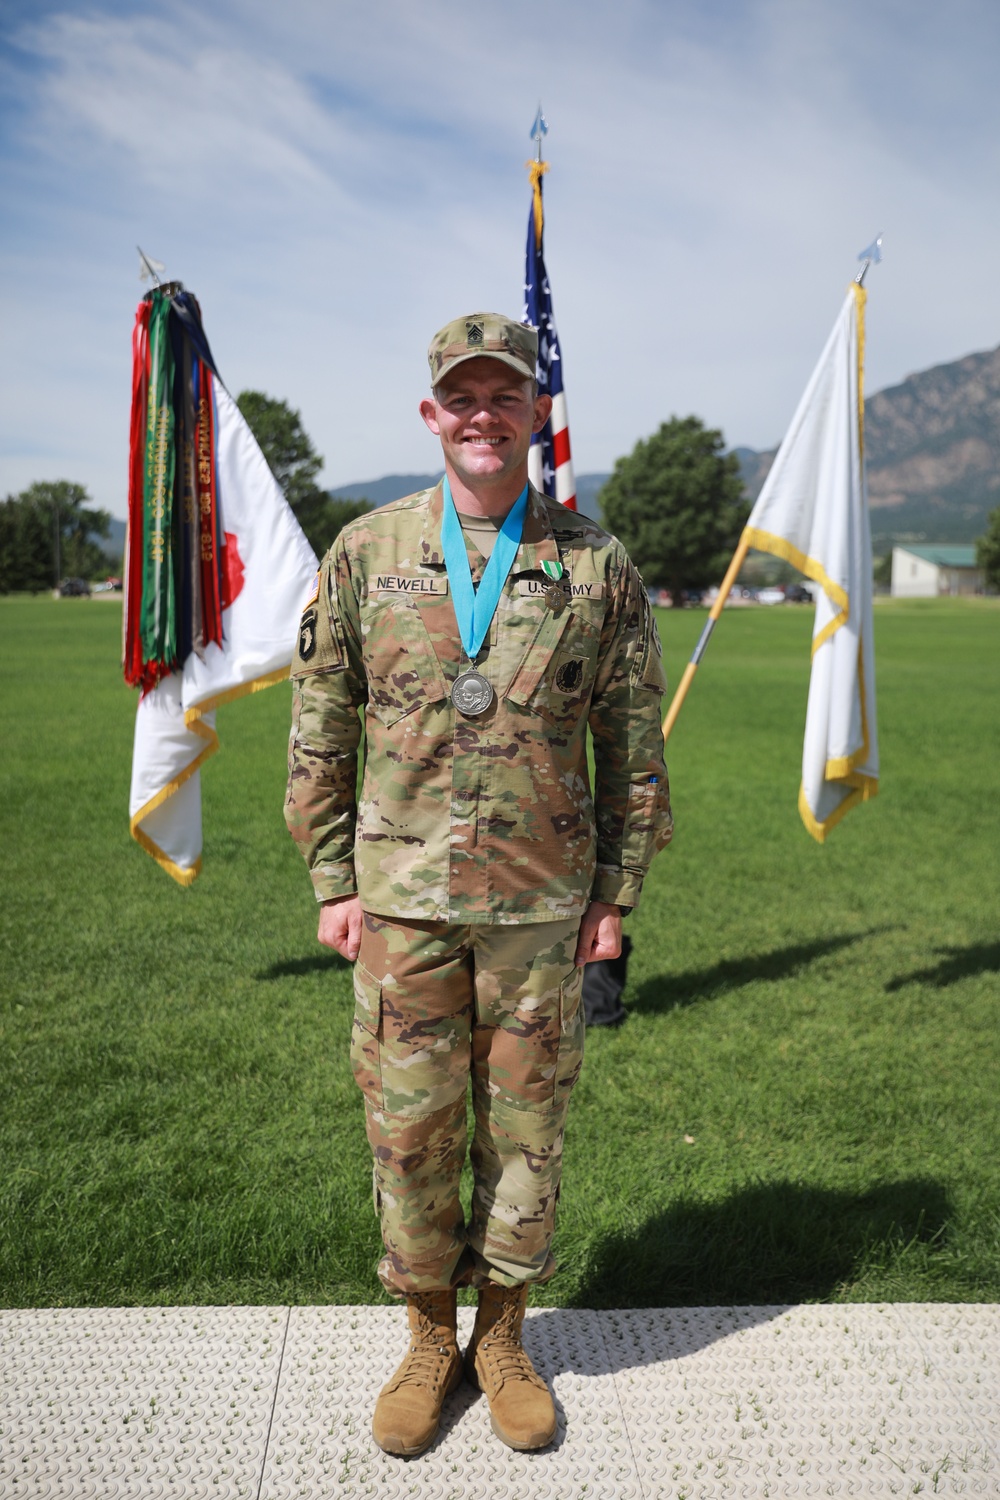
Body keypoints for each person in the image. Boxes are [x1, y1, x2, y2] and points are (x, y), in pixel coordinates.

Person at [284, 311, 673, 1457]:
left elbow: (635, 749)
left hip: (541, 911)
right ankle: (425, 1338)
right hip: (400, 903)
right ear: (430, 415)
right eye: (462, 396)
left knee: (524, 1136)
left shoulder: (595, 565)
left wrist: (615, 894)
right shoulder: (365, 553)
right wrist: (327, 876)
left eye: (503, 394)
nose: (481, 415)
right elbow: (320, 726)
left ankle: (502, 1339)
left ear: (536, 413)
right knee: (408, 1136)